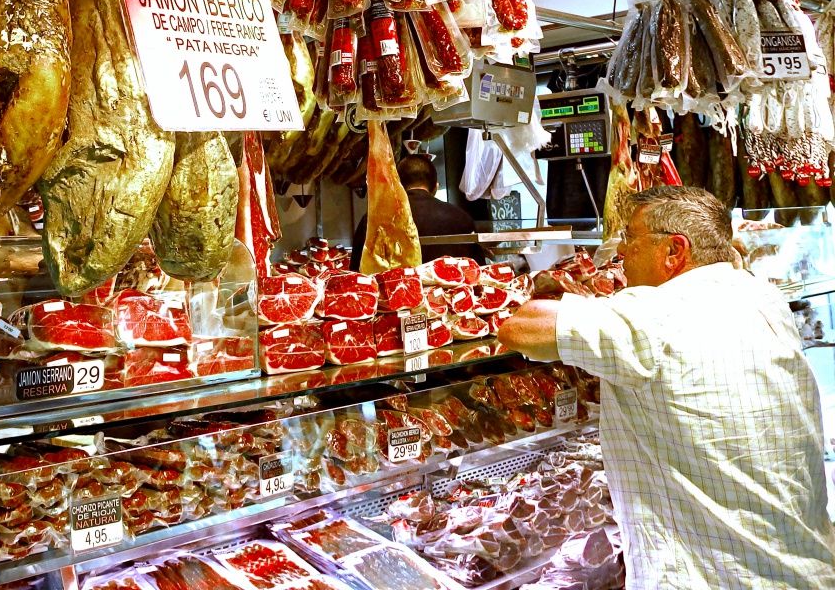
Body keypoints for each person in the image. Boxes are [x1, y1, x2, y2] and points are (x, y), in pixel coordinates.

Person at [499, 186, 835, 590]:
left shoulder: (652, 316)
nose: (621, 253)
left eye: (630, 238)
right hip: (807, 566)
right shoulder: (763, 297)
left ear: (674, 251)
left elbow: (520, 327)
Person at [352, 154, 483, 270]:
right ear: (436, 187)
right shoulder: (461, 218)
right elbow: (478, 271)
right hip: (456, 296)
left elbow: (355, 273)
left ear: (398, 187)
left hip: (397, 295)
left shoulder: (373, 219)